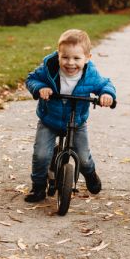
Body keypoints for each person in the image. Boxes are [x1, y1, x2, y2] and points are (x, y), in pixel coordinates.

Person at [24, 29, 116, 202]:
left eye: (76, 58)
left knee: (83, 157)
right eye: (65, 57)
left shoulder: (91, 75)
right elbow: (31, 79)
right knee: (41, 155)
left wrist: (107, 95)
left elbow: (106, 84)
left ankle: (90, 173)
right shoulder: (49, 68)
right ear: (58, 55)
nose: (70, 63)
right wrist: (40, 88)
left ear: (88, 57)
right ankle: (38, 187)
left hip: (77, 121)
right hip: (49, 120)